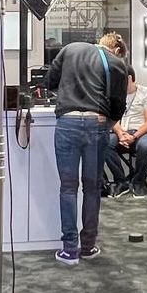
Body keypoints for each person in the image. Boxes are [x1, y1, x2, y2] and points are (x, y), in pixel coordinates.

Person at [47, 31, 128, 264]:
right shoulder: (117, 63)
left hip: (68, 122)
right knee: (92, 188)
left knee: (68, 188)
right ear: (117, 49)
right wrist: (110, 123)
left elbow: (49, 82)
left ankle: (69, 249)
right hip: (97, 124)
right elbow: (118, 104)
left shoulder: (70, 49)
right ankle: (88, 246)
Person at [105, 68, 147, 198]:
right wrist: (120, 134)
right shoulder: (115, 95)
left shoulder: (146, 93)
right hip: (121, 131)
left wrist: (134, 136)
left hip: (142, 132)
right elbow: (112, 118)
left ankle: (138, 182)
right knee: (104, 143)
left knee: (146, 146)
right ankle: (121, 181)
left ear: (129, 78)